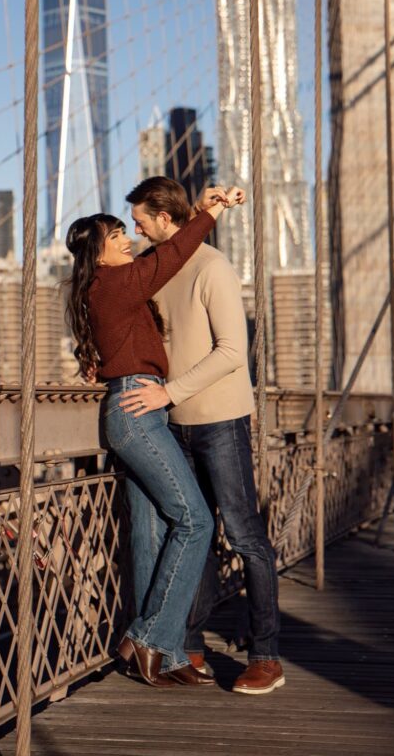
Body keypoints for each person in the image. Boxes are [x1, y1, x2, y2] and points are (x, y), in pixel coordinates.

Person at [64, 186, 242, 689]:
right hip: (137, 411)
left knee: (151, 533)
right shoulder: (115, 282)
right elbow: (171, 255)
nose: (126, 238)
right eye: (116, 235)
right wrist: (207, 213)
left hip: (134, 408)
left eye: (126, 231)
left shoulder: (105, 288)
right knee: (196, 522)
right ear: (96, 252)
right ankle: (149, 637)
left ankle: (156, 655)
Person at [119, 176, 284, 696]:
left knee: (245, 538)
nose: (134, 229)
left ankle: (265, 657)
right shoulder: (154, 270)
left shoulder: (213, 268)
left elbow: (234, 351)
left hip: (219, 420)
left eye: (141, 221)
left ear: (165, 220)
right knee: (191, 535)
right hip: (172, 426)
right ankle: (186, 643)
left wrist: (167, 393)